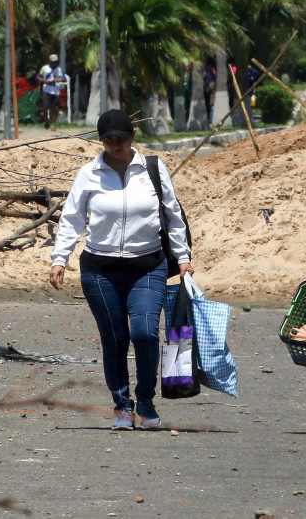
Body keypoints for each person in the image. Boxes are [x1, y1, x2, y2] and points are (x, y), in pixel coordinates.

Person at [49, 109, 192, 430]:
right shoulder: (89, 174)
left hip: (148, 265)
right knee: (114, 339)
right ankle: (122, 406)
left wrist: (183, 257)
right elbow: (72, 218)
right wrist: (60, 258)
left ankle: (146, 400)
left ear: (133, 138)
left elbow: (173, 214)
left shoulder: (152, 168)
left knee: (143, 332)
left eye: (121, 138)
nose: (115, 144)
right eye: (108, 139)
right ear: (100, 141)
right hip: (100, 271)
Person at [36, 54, 65, 130]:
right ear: (49, 61)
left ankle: (54, 124)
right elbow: (38, 77)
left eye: (55, 62)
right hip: (46, 90)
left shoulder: (59, 69)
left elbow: (64, 78)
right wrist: (44, 81)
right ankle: (46, 120)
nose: (54, 63)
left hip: (56, 92)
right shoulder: (44, 68)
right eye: (52, 62)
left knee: (55, 109)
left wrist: (58, 80)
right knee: (45, 107)